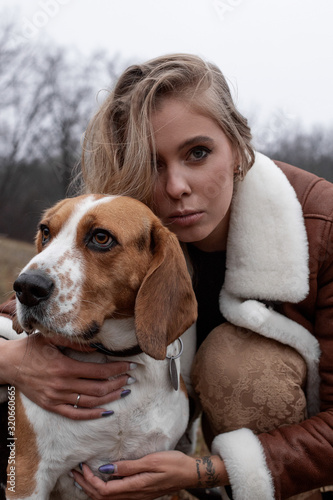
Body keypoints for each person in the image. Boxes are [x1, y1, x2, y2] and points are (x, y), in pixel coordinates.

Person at [1, 53, 333, 500]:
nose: (176, 186)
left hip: (287, 439)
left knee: (239, 366)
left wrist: (207, 471)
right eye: (153, 162)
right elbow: (36, 296)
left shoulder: (323, 225)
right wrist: (12, 360)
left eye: (198, 153)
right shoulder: (134, 218)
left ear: (237, 147)